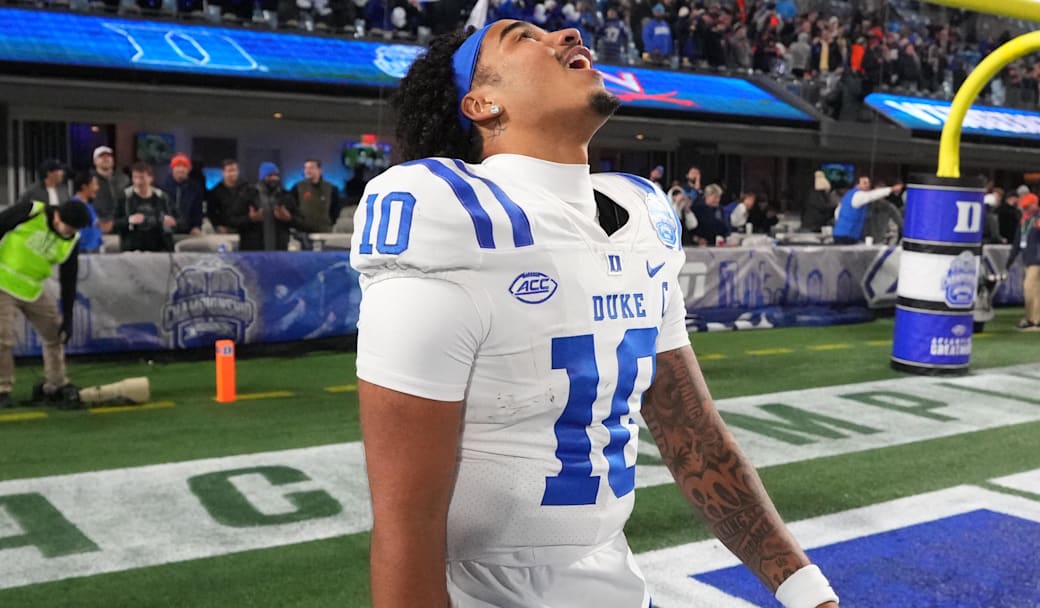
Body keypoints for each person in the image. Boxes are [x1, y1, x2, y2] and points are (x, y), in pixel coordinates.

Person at [352, 22, 838, 608]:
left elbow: (693, 434)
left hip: (615, 582)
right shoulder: (451, 219)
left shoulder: (640, 220)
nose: (567, 32)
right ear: (481, 104)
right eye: (520, 37)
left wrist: (806, 589)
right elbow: (405, 525)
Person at [0, 199, 91, 409]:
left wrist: (67, 318)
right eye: (68, 228)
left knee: (55, 335)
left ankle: (56, 384)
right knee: (3, 339)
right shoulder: (31, 211)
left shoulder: (72, 239)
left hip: (33, 288)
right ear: (58, 217)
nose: (69, 233)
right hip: (2, 281)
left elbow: (70, 279)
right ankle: (2, 389)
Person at [1005, 193, 1040, 331]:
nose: (1024, 210)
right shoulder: (1025, 220)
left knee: (1031, 288)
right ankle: (1035, 319)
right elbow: (1017, 242)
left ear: (1034, 205)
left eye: (1027, 207)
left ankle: (1035, 320)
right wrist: (1009, 261)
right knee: (1030, 290)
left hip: (1039, 260)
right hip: (1028, 259)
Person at [235, 162, 300, 251]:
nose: (274, 178)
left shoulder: (286, 196)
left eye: (276, 175)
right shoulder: (248, 195)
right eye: (270, 175)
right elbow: (233, 220)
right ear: (262, 177)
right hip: (253, 251)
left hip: (280, 251)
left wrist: (289, 218)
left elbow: (300, 221)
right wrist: (250, 218)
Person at [114, 162, 176, 252]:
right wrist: (128, 220)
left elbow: (179, 220)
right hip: (132, 247)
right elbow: (114, 224)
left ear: (151, 178)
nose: (138, 182)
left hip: (159, 247)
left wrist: (172, 222)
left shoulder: (162, 197)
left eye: (142, 178)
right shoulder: (124, 197)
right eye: (135, 178)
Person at [832, 176, 903, 244]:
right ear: (857, 184)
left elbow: (837, 212)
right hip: (849, 235)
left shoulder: (849, 196)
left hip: (851, 235)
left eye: (868, 183)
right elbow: (872, 195)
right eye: (864, 183)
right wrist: (892, 189)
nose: (867, 185)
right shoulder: (859, 195)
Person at [291, 159, 343, 235]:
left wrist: (330, 222)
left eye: (311, 168)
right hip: (303, 232)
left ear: (319, 170)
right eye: (306, 168)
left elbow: (336, 209)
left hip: (325, 230)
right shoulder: (297, 188)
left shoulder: (331, 188)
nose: (308, 171)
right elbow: (293, 208)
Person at [160, 153, 205, 235]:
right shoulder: (162, 188)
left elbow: (198, 210)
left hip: (188, 230)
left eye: (184, 166)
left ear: (189, 169)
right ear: (172, 168)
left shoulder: (195, 188)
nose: (181, 169)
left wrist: (196, 226)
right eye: (177, 166)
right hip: (166, 229)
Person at [206, 159, 253, 233]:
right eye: (229, 171)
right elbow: (211, 212)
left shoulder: (247, 188)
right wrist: (217, 225)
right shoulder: (215, 191)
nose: (232, 173)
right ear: (223, 172)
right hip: (225, 231)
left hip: (246, 230)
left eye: (234, 170)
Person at [70, 171, 107, 253]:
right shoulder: (74, 206)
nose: (97, 188)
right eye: (94, 184)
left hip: (95, 250)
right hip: (83, 252)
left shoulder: (89, 205)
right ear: (84, 187)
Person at [91, 146, 129, 225]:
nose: (106, 159)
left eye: (109, 156)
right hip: (97, 223)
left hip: (120, 224)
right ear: (95, 161)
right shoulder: (89, 180)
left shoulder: (124, 179)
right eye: (102, 157)